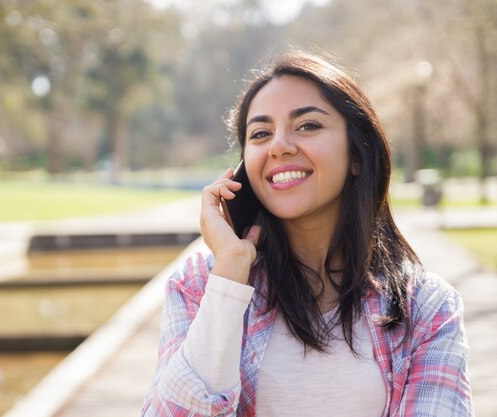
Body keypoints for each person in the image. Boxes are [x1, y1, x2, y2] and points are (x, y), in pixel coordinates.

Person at [141, 50, 473, 417]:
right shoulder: (199, 285)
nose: (279, 146)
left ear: (358, 156)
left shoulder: (426, 307)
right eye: (261, 133)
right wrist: (231, 274)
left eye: (308, 125)